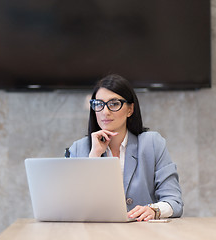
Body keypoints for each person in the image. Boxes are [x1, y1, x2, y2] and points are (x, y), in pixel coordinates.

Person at [68, 74, 183, 221]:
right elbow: (73, 206)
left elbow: (175, 201)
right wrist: (94, 157)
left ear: (130, 109)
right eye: (99, 104)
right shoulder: (78, 149)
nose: (105, 111)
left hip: (143, 232)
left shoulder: (152, 143)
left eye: (114, 104)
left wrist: (154, 210)